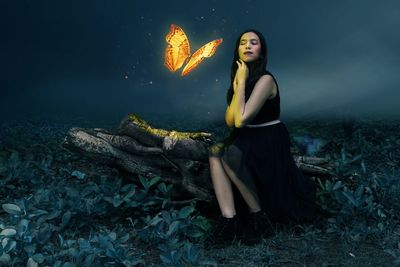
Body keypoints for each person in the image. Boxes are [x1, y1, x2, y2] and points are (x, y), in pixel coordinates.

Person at [205, 29, 317, 248]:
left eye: (253, 43)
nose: (247, 46)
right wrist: (238, 86)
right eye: (243, 43)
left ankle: (259, 217)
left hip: (268, 137)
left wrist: (243, 83)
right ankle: (230, 220)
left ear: (261, 49)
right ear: (237, 50)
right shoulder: (240, 79)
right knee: (214, 152)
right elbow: (230, 121)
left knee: (228, 154)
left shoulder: (266, 80)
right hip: (248, 135)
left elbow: (240, 120)